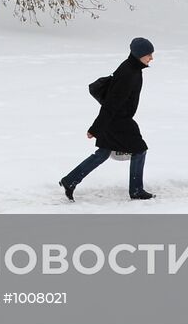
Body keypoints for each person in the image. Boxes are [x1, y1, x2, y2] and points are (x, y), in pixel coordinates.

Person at [60, 37, 155, 201]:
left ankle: (69, 180)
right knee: (139, 150)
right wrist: (95, 128)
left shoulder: (132, 68)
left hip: (116, 119)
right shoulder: (128, 73)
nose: (151, 58)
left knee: (103, 153)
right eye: (149, 54)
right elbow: (111, 103)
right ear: (139, 54)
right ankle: (136, 190)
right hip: (118, 121)